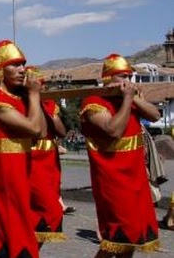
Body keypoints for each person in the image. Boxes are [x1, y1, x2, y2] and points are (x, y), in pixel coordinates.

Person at [80, 54, 161, 257]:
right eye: (122, 76)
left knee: (132, 237)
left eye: (129, 76)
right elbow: (113, 130)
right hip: (113, 180)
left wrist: (133, 98)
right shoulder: (93, 102)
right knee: (115, 238)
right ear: (108, 78)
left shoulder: (131, 99)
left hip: (135, 177)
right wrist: (127, 100)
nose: (127, 81)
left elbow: (155, 115)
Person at [0, 40, 44, 258]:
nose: (23, 69)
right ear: (0, 69)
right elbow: (34, 128)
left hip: (21, 177)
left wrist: (31, 97)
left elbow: (41, 132)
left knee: (23, 235)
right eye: (15, 64)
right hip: (1, 182)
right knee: (9, 238)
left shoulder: (19, 99)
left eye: (23, 64)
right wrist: (34, 95)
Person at [25, 67, 67, 245]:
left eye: (42, 85)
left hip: (50, 159)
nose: (41, 88)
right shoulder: (23, 103)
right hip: (32, 159)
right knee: (48, 211)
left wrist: (50, 113)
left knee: (45, 214)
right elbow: (38, 132)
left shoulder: (49, 104)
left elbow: (61, 132)